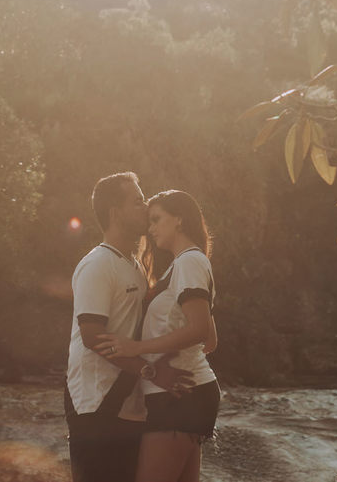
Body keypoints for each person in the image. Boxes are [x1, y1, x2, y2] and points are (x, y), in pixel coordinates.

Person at [66, 172, 193, 482]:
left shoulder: (134, 265)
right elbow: (92, 336)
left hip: (127, 403)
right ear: (115, 213)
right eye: (137, 201)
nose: (146, 206)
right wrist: (152, 372)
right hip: (96, 404)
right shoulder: (97, 264)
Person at [96, 190, 218, 482]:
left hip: (180, 397)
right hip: (185, 393)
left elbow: (200, 331)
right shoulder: (184, 264)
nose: (150, 229)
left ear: (179, 219)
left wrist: (136, 347)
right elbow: (210, 339)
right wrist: (167, 357)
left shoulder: (189, 262)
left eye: (156, 219)